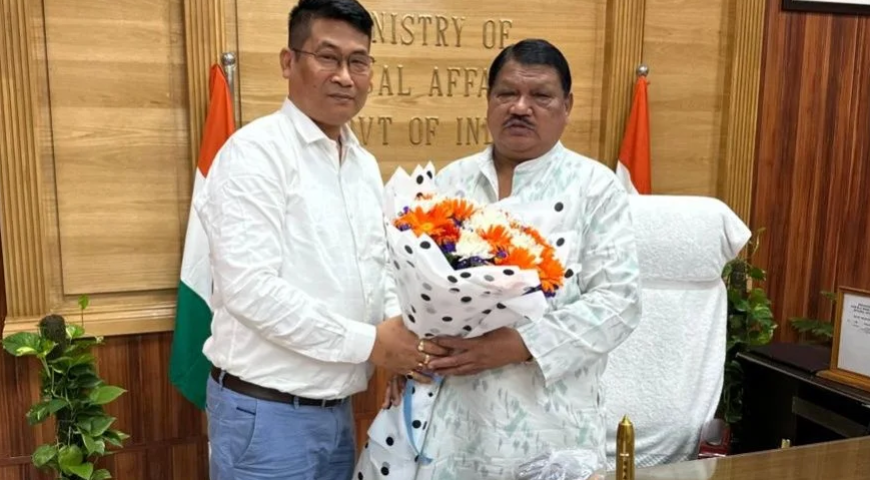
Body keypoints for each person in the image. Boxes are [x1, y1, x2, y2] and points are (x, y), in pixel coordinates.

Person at [192, 1, 445, 479]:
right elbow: (251, 290)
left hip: (337, 409)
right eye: (328, 57)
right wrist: (373, 343)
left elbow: (379, 268)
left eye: (358, 61)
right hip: (265, 415)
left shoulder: (363, 165)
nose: (345, 76)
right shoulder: (255, 153)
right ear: (289, 62)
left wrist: (403, 338)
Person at [414, 39, 642, 479]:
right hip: (454, 415)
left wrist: (520, 345)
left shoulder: (595, 188)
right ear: (488, 101)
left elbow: (620, 302)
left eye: (540, 96)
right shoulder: (450, 181)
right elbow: (408, 278)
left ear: (566, 105)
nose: (520, 107)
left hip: (551, 420)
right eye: (507, 93)